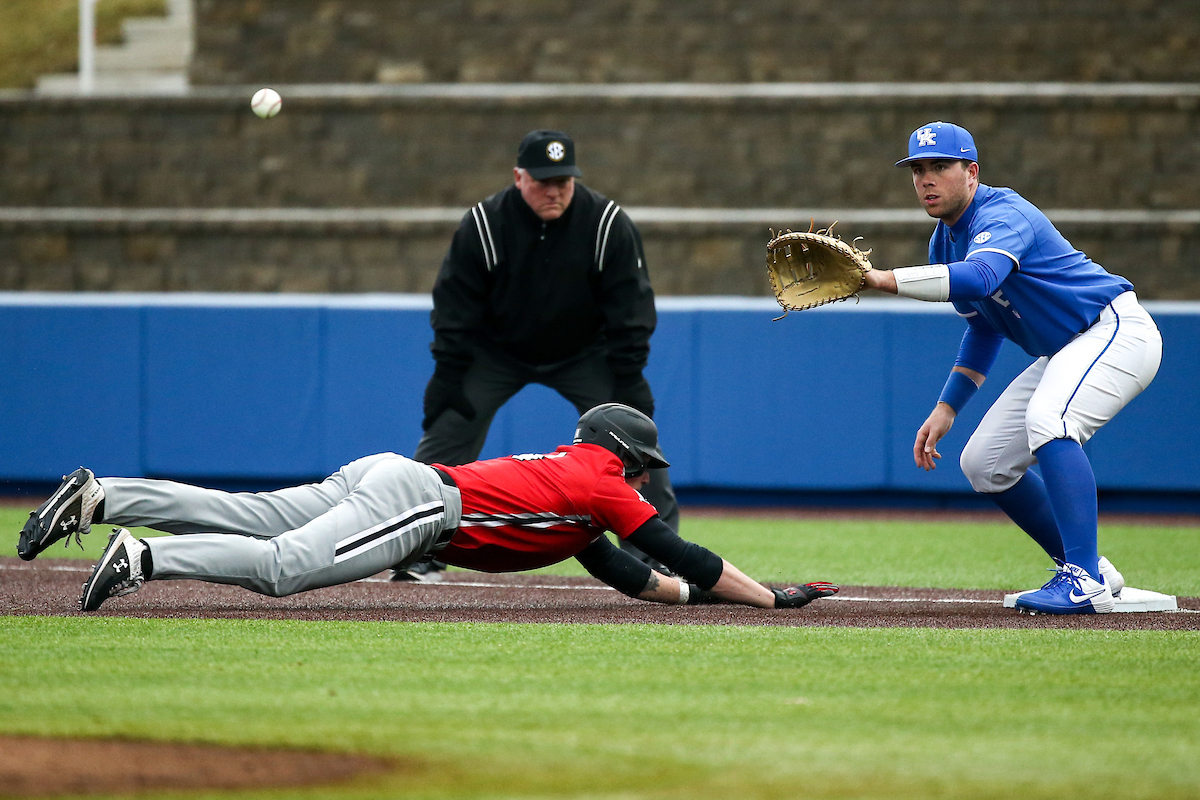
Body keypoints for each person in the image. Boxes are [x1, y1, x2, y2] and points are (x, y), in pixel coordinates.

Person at [16, 403, 838, 614]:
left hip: (389, 476)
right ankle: (144, 556)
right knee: (283, 569)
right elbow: (681, 554)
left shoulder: (575, 500)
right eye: (641, 466)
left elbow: (635, 575)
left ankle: (103, 495)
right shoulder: (600, 484)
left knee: (252, 516)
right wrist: (771, 598)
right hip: (422, 503)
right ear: (627, 456)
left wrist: (694, 601)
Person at [862, 121, 1162, 615]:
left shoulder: (1004, 212)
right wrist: (947, 407)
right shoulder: (943, 243)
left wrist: (883, 280)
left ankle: (1081, 578)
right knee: (985, 464)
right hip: (1066, 349)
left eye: (940, 167)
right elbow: (984, 326)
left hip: (1113, 329)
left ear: (972, 172)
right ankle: (1092, 570)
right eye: (918, 170)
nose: (926, 180)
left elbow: (982, 276)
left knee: (1050, 421)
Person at [405, 129, 678, 580]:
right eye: (542, 181)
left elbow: (631, 306)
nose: (554, 191)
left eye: (563, 182)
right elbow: (455, 306)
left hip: (584, 353)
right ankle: (418, 550)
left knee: (637, 443)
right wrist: (448, 376)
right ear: (518, 176)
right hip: (496, 352)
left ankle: (655, 557)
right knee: (448, 427)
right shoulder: (484, 223)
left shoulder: (606, 223)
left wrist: (629, 379)